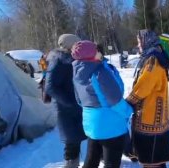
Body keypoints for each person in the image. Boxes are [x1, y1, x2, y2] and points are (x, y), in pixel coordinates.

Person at [71, 40, 133, 168]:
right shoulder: (99, 71)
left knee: (91, 160)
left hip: (91, 123)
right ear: (91, 54)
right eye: (96, 50)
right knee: (111, 163)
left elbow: (79, 100)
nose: (99, 52)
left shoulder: (76, 72)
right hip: (110, 125)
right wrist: (129, 111)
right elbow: (115, 100)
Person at [126, 29, 169, 168]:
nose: (138, 45)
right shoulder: (155, 54)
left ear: (147, 40)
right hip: (155, 112)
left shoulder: (153, 59)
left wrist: (129, 101)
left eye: (140, 41)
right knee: (155, 158)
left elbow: (145, 85)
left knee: (151, 159)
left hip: (150, 114)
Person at [45, 34, 86, 168]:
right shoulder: (58, 60)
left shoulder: (68, 59)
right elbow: (50, 86)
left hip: (74, 107)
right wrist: (70, 102)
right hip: (66, 109)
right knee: (71, 143)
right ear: (70, 45)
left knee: (77, 140)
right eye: (77, 43)